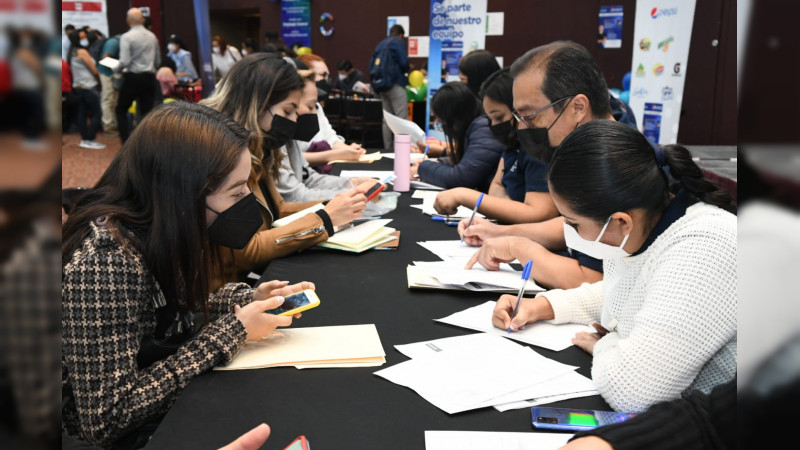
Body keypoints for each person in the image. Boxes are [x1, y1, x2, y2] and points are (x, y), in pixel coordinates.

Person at [61, 102, 314, 448]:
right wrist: (231, 333)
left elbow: (164, 306)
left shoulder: (158, 229)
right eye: (237, 192)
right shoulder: (105, 262)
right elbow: (107, 418)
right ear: (186, 193)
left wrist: (247, 299)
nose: (246, 203)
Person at [491, 120, 736, 414]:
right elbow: (620, 295)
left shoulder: (704, 249)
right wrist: (541, 306)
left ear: (621, 222)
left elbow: (632, 391)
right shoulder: (636, 229)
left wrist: (607, 345)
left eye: (574, 223)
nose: (568, 230)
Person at [460, 41, 638, 289]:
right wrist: (500, 233)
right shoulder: (591, 146)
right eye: (518, 118)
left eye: (530, 116)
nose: (521, 128)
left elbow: (593, 279)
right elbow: (573, 227)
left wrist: (516, 246)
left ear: (577, 107)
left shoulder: (615, 167)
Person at [201, 54, 368, 290]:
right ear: (258, 104)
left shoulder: (256, 148)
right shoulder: (222, 154)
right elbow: (246, 249)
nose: (294, 121)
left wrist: (337, 204)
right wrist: (325, 218)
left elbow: (278, 208)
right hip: (222, 292)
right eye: (288, 111)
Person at [433, 68, 558, 224]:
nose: (494, 126)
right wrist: (512, 210)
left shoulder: (538, 147)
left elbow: (539, 214)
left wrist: (464, 196)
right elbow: (496, 187)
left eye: (499, 117)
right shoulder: (513, 144)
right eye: (490, 118)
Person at [277, 70, 379, 202]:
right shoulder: (277, 142)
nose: (315, 112)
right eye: (310, 106)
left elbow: (308, 177)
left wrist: (350, 184)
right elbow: (294, 196)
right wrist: (352, 194)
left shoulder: (290, 140)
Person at [409, 82, 504, 192]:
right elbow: (469, 161)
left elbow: (461, 178)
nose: (444, 128)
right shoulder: (477, 125)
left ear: (455, 118)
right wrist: (438, 162)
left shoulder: (484, 129)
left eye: (441, 123)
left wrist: (423, 168)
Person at [114, 7, 160, 143]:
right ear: (142, 20)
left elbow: (125, 61)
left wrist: (115, 69)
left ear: (128, 21)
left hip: (132, 78)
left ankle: (126, 143)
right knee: (146, 113)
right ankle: (145, 144)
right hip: (149, 78)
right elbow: (157, 61)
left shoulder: (126, 37)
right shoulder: (152, 36)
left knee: (121, 110)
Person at [370, 24, 410, 150]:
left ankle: (388, 149)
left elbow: (371, 64)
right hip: (395, 83)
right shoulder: (398, 42)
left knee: (386, 120)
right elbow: (404, 62)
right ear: (401, 35)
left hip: (381, 86)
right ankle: (402, 150)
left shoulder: (381, 44)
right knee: (401, 118)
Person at [68, 30, 105, 149]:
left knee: (82, 113)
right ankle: (90, 138)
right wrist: (100, 81)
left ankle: (85, 139)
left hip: (79, 86)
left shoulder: (72, 52)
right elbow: (93, 70)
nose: (86, 39)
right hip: (88, 86)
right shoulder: (82, 51)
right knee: (97, 112)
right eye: (83, 37)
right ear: (78, 39)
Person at [98, 33, 120, 133]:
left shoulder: (117, 41)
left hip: (111, 73)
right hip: (106, 73)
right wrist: (121, 65)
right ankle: (107, 126)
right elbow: (105, 58)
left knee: (113, 99)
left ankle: (113, 124)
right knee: (107, 99)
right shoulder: (114, 42)